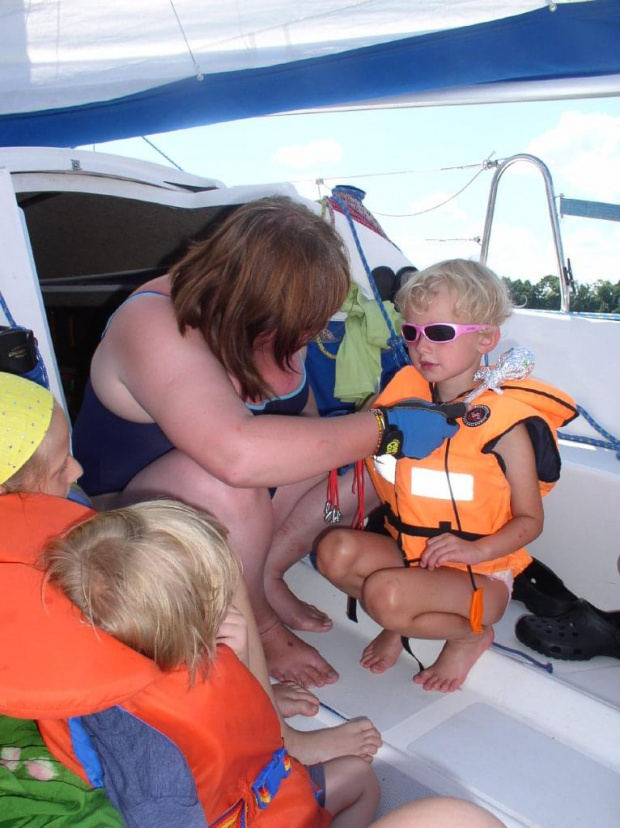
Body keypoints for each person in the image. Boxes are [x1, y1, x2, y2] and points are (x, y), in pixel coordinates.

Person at [0, 372, 505, 828]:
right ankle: (278, 729)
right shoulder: (148, 756)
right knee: (457, 819)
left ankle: (268, 718)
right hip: (234, 809)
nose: (77, 466)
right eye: (61, 461)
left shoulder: (60, 520)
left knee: (363, 780)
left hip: (260, 780)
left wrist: (241, 691)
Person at [71, 195, 461, 688]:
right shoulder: (153, 323)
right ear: (253, 299)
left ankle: (267, 575)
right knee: (226, 485)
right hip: (121, 523)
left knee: (352, 470)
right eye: (307, 317)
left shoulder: (277, 329)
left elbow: (309, 435)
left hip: (234, 511)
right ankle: (259, 622)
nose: (315, 330)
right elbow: (236, 456)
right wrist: (386, 429)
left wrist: (376, 438)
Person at [0, 370, 383, 767]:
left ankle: (256, 699)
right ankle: (281, 737)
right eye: (62, 465)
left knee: (213, 556)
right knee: (209, 573)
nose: (76, 470)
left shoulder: (32, 503)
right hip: (115, 672)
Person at [317, 259, 578, 692]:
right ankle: (402, 622)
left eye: (440, 333)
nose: (423, 347)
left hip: (479, 576)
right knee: (334, 551)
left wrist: (476, 553)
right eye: (412, 333)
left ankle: (469, 635)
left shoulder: (505, 427)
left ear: (487, 339)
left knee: (387, 597)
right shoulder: (403, 403)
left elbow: (531, 521)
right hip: (413, 553)